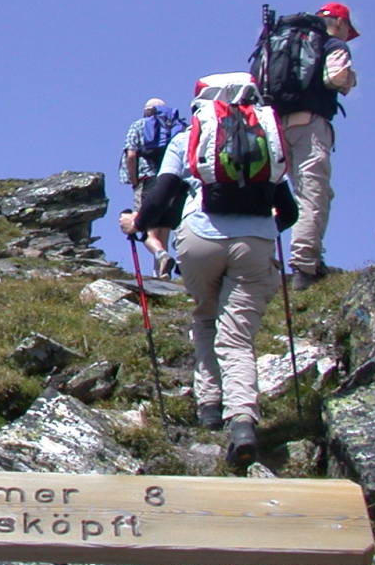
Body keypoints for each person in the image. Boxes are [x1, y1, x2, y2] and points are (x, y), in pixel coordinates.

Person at [122, 74, 298, 468]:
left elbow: (161, 192)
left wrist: (137, 223)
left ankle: (208, 405)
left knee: (205, 317)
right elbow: (289, 212)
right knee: (237, 338)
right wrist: (262, 232)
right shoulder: (267, 138)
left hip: (199, 237)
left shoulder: (190, 139)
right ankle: (242, 423)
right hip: (255, 243)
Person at [283, 2, 359, 290]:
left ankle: (259, 260)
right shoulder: (331, 42)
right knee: (312, 193)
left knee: (280, 194)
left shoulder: (288, 40)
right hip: (309, 125)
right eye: (347, 27)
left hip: (273, 126)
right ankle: (305, 267)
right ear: (339, 21)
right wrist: (351, 79)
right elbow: (335, 77)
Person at [119, 97, 183, 279]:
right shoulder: (176, 129)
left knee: (145, 227)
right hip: (173, 183)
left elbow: (131, 155)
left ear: (147, 110)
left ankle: (162, 257)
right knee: (164, 228)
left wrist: (134, 181)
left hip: (148, 181)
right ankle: (162, 273)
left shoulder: (138, 126)